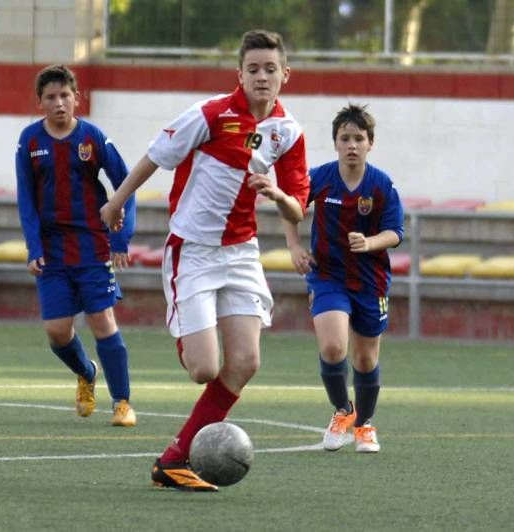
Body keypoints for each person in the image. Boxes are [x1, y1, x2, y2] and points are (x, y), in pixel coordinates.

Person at [101, 30, 309, 491]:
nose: (261, 76)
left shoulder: (288, 133)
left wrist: (276, 193)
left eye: (270, 69)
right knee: (204, 369)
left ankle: (174, 461)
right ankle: (187, 332)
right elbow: (157, 155)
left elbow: (298, 207)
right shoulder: (212, 114)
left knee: (246, 361)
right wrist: (116, 201)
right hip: (191, 251)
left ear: (285, 76)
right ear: (240, 74)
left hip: (241, 253)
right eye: (253, 69)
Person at [15, 64, 137, 427]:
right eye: (50, 97)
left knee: (102, 319)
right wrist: (33, 246)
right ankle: (86, 373)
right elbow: (26, 199)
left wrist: (120, 237)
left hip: (92, 244)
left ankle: (123, 402)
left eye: (65, 95)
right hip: (51, 249)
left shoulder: (93, 137)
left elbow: (126, 187)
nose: (59, 103)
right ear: (40, 102)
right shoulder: (30, 142)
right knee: (56, 331)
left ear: (76, 97)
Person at [282, 104, 404, 453]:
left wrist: (369, 243)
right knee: (334, 347)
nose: (352, 144)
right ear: (335, 143)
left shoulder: (381, 184)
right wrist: (293, 246)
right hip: (328, 276)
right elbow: (291, 207)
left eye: (359, 138)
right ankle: (342, 412)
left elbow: (395, 232)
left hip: (370, 280)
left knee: (365, 359)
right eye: (345, 138)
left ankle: (364, 425)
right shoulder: (320, 177)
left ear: (370, 144)